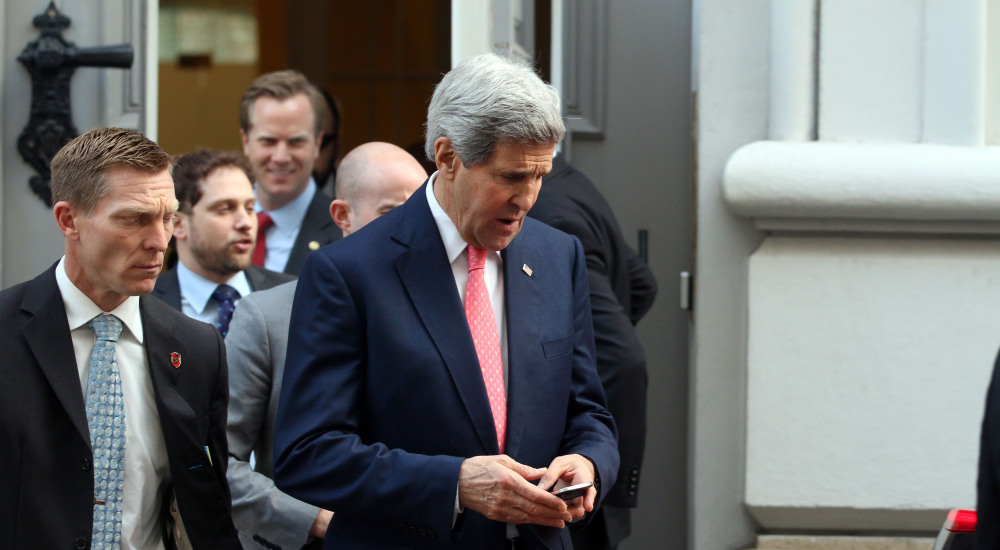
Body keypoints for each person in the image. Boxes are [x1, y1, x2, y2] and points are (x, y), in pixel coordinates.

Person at [273, 53, 619, 549]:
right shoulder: (349, 272)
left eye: (539, 176)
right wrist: (454, 484)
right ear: (447, 156)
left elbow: (590, 412)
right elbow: (307, 454)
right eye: (511, 177)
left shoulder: (557, 255)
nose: (528, 197)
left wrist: (588, 463)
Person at [0, 127, 241, 549]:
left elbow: (208, 509)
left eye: (168, 217)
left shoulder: (198, 349)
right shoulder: (6, 331)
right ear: (68, 220)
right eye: (134, 219)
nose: (159, 241)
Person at [225, 141, 426, 550]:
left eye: (422, 214)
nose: (412, 231)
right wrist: (316, 522)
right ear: (342, 216)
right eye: (391, 213)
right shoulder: (267, 318)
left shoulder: (453, 317)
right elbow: (215, 462)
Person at [528, 157, 658, 550]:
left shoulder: (543, 215)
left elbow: (624, 359)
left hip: (574, 492)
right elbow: (642, 283)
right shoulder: (569, 180)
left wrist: (595, 467)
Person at [152, 149, 294, 335]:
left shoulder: (292, 295)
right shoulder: (144, 304)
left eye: (250, 208)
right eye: (225, 209)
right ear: (177, 224)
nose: (245, 223)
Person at [240, 70, 340, 275]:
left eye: (296, 142)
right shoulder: (212, 226)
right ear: (246, 142)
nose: (281, 157)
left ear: (317, 144)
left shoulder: (345, 233)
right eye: (268, 141)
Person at [312, 86, 342, 195]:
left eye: (320, 143)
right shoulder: (256, 203)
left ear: (337, 144)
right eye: (295, 142)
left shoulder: (360, 201)